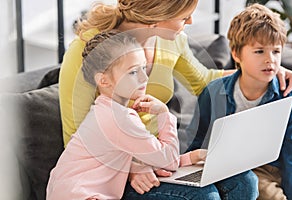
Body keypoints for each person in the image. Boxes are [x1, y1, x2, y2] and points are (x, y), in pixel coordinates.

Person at [58, 0, 292, 196]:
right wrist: (132, 167)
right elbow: (77, 134)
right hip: (117, 171)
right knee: (205, 197)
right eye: (184, 16)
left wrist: (268, 70)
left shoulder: (171, 40)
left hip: (163, 155)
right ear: (159, 13)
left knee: (246, 182)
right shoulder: (89, 48)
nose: (191, 21)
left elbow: (205, 79)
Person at [47, 31, 211, 199]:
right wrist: (163, 114)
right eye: (133, 72)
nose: (144, 77)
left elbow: (158, 160)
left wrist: (194, 157)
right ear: (103, 81)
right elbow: (168, 160)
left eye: (143, 68)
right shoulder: (118, 119)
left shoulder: (108, 111)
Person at [187, 3, 292, 200]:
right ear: (236, 54)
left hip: (269, 168)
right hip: (223, 166)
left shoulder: (287, 95)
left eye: (276, 51)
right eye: (259, 51)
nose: (270, 60)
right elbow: (196, 139)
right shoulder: (215, 92)